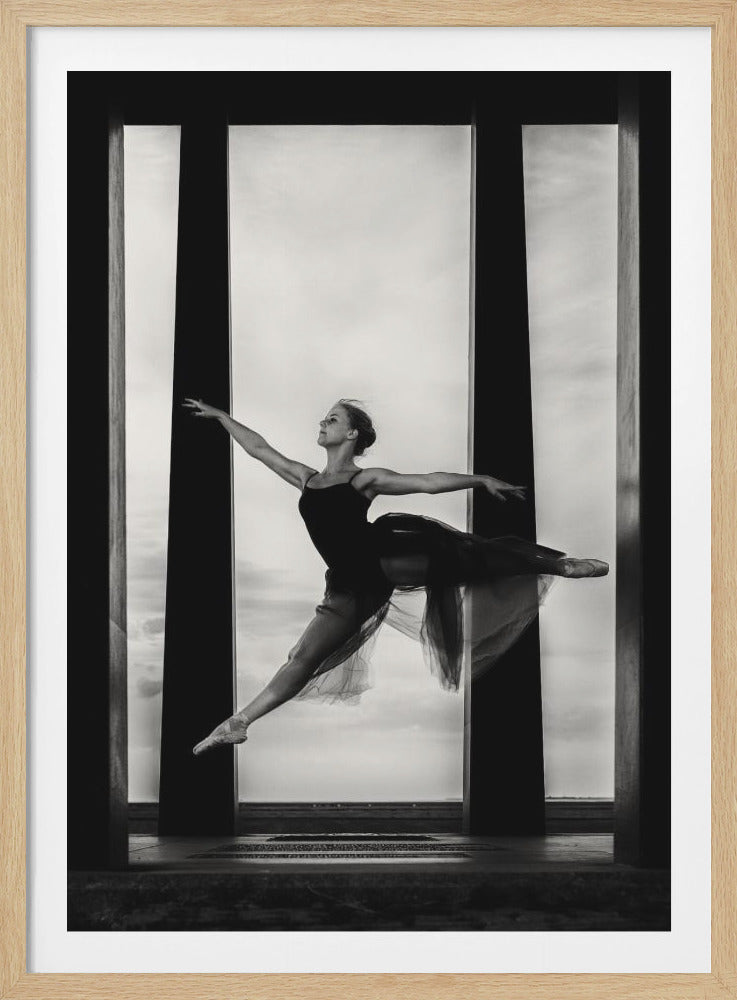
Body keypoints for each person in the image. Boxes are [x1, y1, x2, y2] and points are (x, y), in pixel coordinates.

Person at [183, 397, 608, 756]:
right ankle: (237, 723)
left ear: (352, 435)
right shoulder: (306, 478)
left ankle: (558, 565)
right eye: (324, 418)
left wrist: (479, 479)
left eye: (332, 419)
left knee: (461, 555)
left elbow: (426, 482)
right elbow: (259, 449)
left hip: (383, 559)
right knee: (301, 657)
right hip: (348, 585)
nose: (322, 423)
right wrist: (222, 418)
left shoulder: (364, 479)